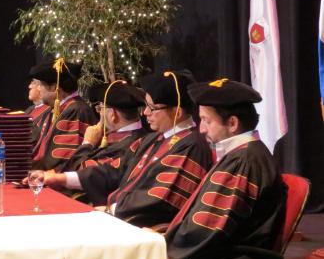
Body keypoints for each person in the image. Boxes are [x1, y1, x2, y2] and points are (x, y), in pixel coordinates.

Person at [164, 78, 287, 259]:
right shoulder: (242, 155)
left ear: (232, 123)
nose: (201, 129)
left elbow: (206, 229)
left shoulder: (245, 161)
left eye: (207, 121)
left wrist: (158, 246)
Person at [41, 70, 212, 228]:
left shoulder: (192, 146)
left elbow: (160, 197)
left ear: (177, 112)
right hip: (119, 218)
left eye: (152, 108)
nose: (145, 113)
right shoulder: (152, 139)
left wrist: (110, 210)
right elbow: (113, 171)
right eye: (146, 106)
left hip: (140, 228)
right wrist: (61, 178)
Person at [59, 80, 148, 174]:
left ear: (112, 114)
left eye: (100, 108)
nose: (100, 113)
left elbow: (77, 174)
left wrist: (87, 143)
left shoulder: (120, 148)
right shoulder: (147, 137)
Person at [29, 59, 96, 171]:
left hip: (56, 179)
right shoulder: (55, 110)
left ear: (54, 87)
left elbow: (63, 161)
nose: (39, 89)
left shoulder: (76, 111)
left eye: (41, 85)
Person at [25, 77, 48, 145]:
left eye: (33, 83)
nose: (29, 86)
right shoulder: (29, 109)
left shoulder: (50, 111)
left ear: (41, 87)